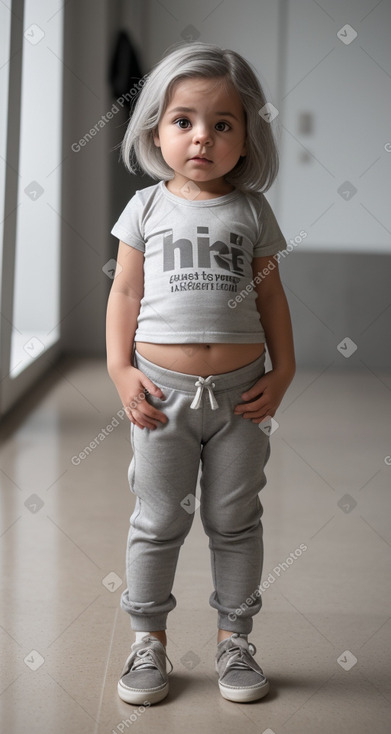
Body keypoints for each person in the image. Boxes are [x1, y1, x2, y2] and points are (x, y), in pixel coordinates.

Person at [106, 41, 295, 706]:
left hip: (242, 398)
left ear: (245, 137)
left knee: (234, 519)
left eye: (222, 123)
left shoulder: (250, 212)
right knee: (157, 521)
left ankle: (233, 640)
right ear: (156, 128)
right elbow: (124, 295)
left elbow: (270, 295)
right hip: (161, 394)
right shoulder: (146, 208)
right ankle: (146, 644)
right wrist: (121, 369)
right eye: (183, 121)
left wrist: (283, 371)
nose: (201, 138)